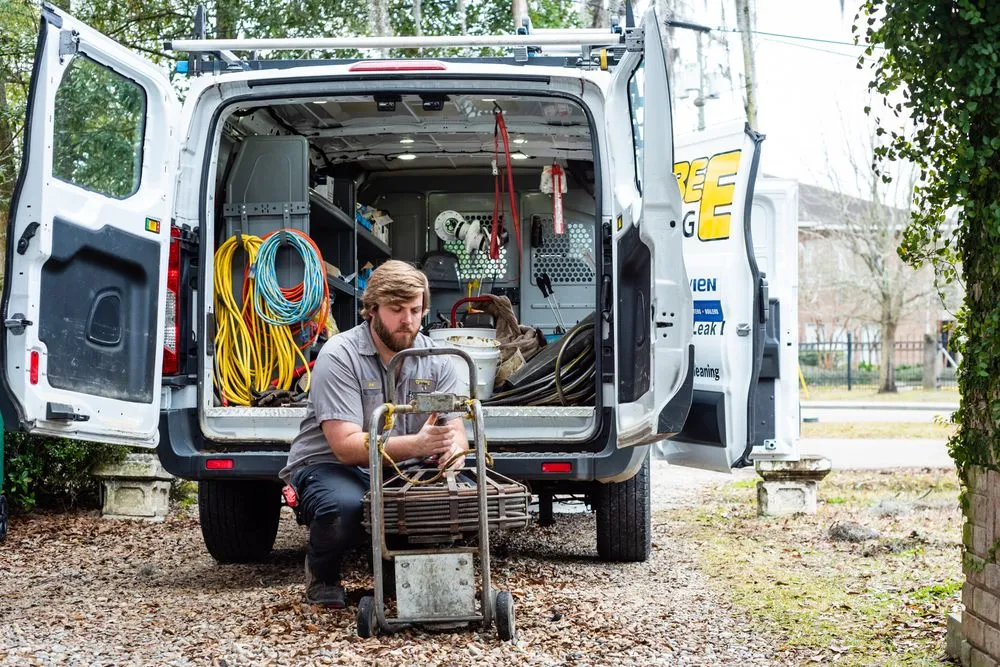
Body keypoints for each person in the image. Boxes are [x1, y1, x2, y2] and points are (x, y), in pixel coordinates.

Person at [279, 260, 468, 608]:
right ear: (371, 309)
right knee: (344, 507)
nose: (407, 320)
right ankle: (323, 576)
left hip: (404, 466)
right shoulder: (340, 354)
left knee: (450, 501)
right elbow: (346, 447)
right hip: (332, 465)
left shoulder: (439, 360)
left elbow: (456, 429)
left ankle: (396, 569)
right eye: (396, 310)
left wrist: (452, 454)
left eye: (415, 309)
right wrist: (417, 444)